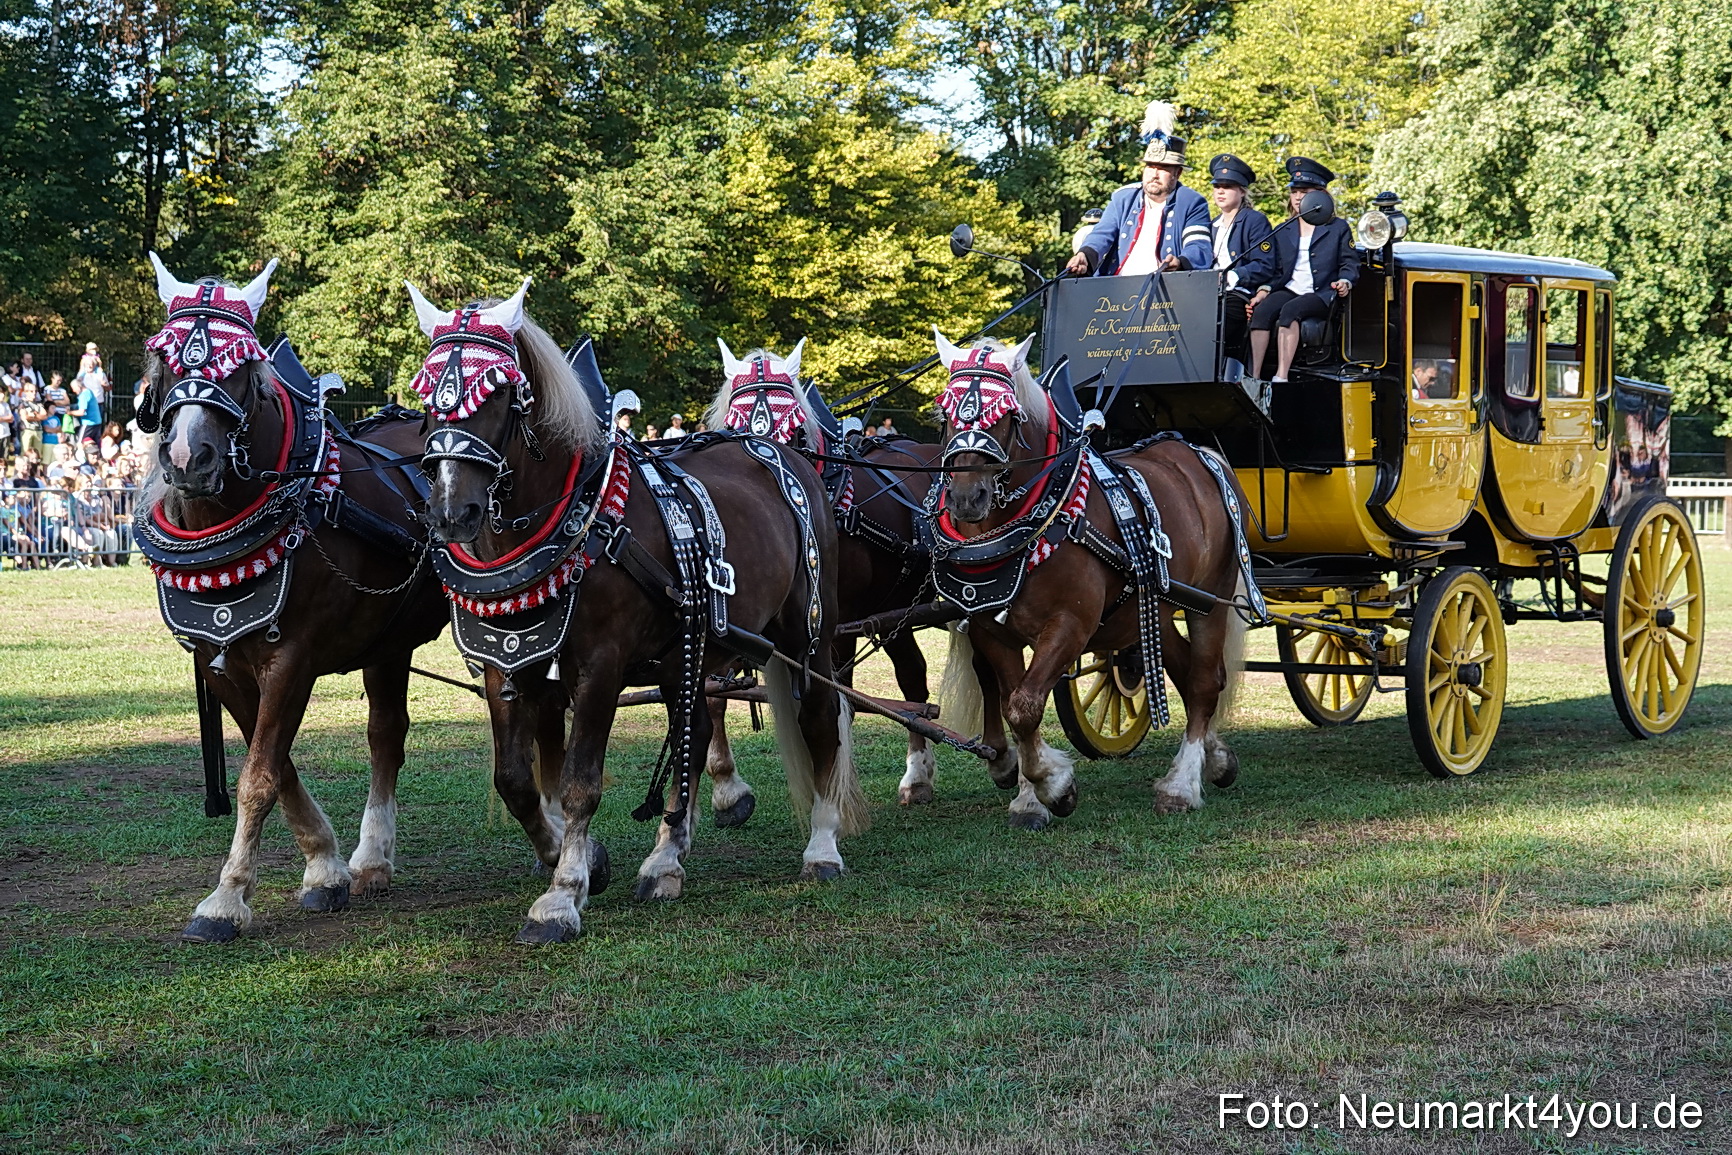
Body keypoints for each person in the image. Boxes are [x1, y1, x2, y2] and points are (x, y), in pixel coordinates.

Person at [1065, 101, 1213, 278]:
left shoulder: (1192, 202)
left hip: (1165, 290)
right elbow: (1102, 234)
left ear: (1177, 173)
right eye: (1150, 166)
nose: (1154, 174)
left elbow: (1199, 247)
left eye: (1163, 168)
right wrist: (1084, 255)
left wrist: (1181, 262)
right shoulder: (1123, 198)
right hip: (1115, 289)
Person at [1246, 157, 1359, 385]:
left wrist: (1345, 282)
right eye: (1294, 191)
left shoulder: (1338, 228)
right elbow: (1277, 271)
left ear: (1320, 195)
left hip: (1321, 293)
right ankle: (1254, 377)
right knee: (1262, 312)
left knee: (1290, 311)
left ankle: (1281, 376)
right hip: (1290, 288)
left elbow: (1350, 263)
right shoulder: (1283, 229)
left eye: (1304, 191)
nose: (1297, 197)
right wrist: (1263, 291)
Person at [71, 370, 104, 445]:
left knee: (80, 443)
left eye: (74, 388)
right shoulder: (89, 391)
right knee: (95, 443)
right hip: (97, 422)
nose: (73, 390)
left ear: (79, 386)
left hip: (89, 423)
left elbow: (81, 412)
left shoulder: (83, 395)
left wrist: (69, 412)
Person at [16, 382, 45, 461]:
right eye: (31, 391)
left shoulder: (39, 403)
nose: (34, 393)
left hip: (38, 430)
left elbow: (44, 416)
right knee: (25, 453)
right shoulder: (22, 403)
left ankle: (36, 471)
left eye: (35, 391)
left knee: (37, 454)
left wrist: (33, 416)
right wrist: (38, 416)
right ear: (26, 392)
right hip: (27, 430)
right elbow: (25, 417)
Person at [42, 370, 69, 447]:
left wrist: (55, 402)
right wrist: (61, 402)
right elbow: (50, 401)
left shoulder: (62, 390)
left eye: (60, 381)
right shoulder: (47, 389)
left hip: (62, 413)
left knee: (61, 431)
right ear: (52, 379)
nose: (59, 382)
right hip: (53, 413)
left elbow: (67, 401)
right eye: (57, 380)